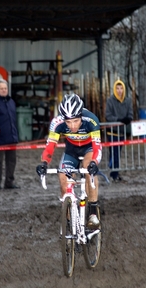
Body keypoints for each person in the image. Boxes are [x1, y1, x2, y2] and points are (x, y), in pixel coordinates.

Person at [36, 93, 102, 228]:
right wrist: (44, 163)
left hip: (88, 149)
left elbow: (97, 147)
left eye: (76, 121)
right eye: (68, 122)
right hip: (71, 150)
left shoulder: (91, 120)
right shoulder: (57, 123)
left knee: (88, 170)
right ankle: (69, 222)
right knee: (62, 178)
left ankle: (93, 212)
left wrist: (94, 162)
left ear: (81, 116)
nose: (72, 126)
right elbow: (50, 146)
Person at [0, 79, 20, 189]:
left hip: (12, 137)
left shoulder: (11, 102)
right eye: (1, 88)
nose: (4, 90)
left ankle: (9, 182)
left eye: (5, 88)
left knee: (11, 161)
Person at [106, 79, 133, 182]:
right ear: (114, 89)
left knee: (117, 153)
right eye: (117, 88)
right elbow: (108, 115)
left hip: (122, 132)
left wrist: (127, 119)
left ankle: (114, 170)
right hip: (112, 131)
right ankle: (114, 174)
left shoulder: (128, 101)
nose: (119, 90)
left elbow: (130, 114)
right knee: (115, 153)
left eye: (121, 88)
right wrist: (118, 120)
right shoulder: (110, 101)